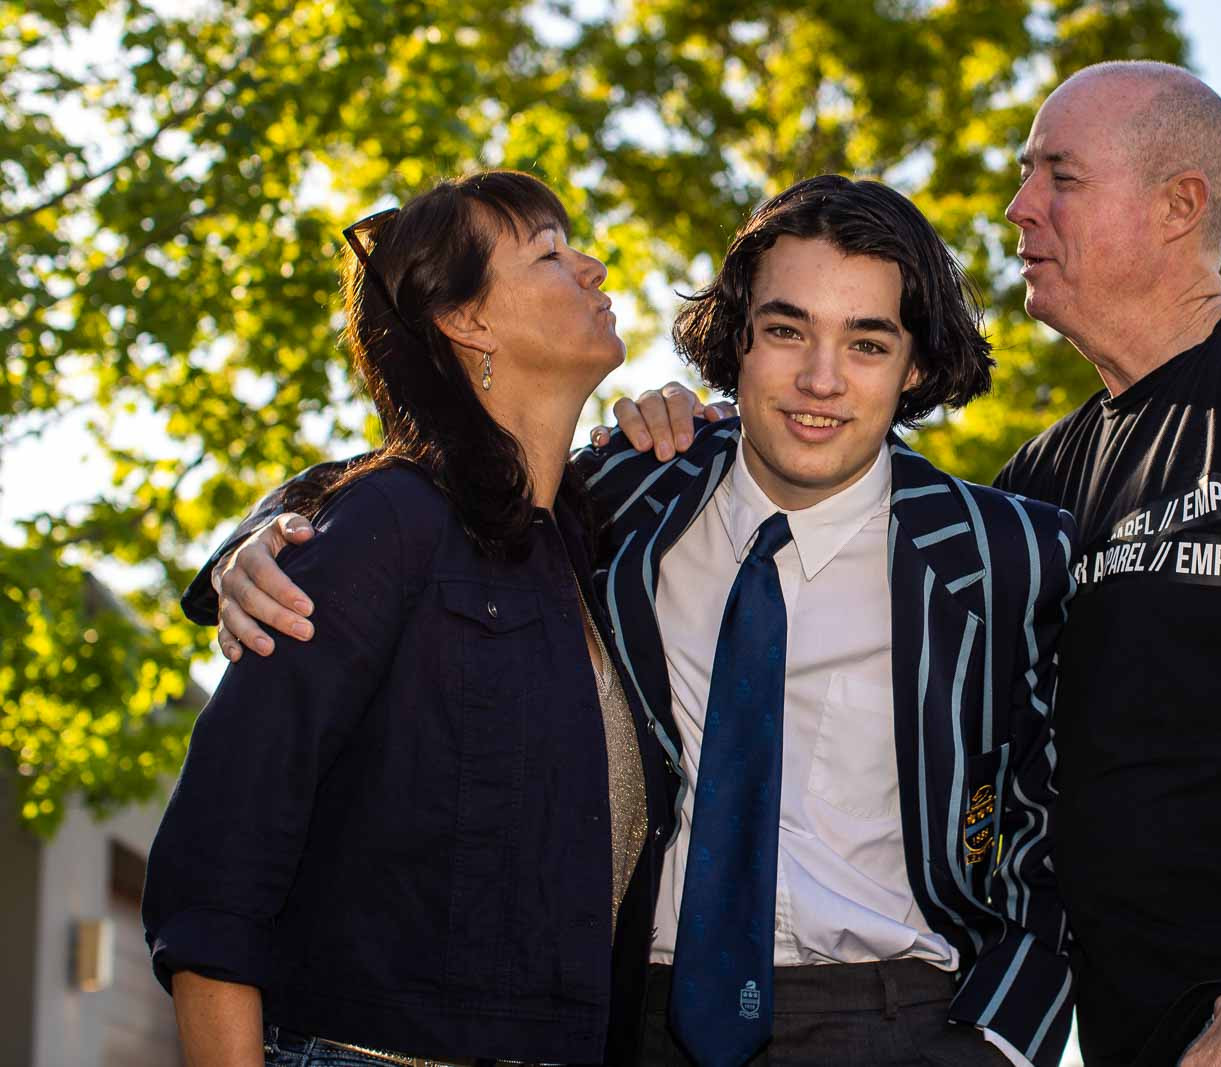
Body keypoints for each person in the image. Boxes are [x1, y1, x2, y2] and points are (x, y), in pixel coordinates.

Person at [596, 61, 1221, 1067]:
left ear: (1179, 205)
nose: (1018, 207)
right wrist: (699, 427)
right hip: (1142, 1040)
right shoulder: (1036, 489)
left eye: (1058, 177)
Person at [184, 175, 1079, 1066]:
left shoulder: (1006, 553)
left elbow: (1068, 823)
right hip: (642, 1020)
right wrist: (258, 539)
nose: (820, 379)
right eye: (786, 330)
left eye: (869, 343)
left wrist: (1004, 1039)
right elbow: (433, 474)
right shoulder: (631, 493)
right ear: (738, 339)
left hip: (902, 1022)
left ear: (915, 364)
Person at [142, 170, 675, 1067]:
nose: (590, 266)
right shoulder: (382, 523)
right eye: (547, 251)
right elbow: (214, 874)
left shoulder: (600, 561)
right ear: (465, 322)